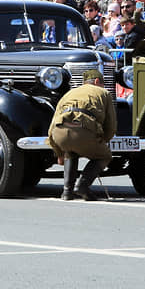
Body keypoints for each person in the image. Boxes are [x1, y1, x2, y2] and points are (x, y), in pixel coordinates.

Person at [48, 69, 116, 201]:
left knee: (70, 151)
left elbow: (51, 127)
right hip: (84, 130)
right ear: (97, 81)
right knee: (104, 156)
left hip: (60, 132)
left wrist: (58, 153)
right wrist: (102, 141)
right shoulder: (104, 93)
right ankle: (82, 186)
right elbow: (111, 125)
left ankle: (67, 192)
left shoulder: (68, 94)